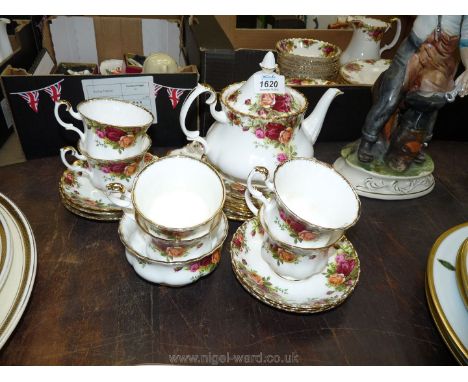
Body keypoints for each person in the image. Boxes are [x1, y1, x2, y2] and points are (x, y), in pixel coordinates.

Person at [357, 15, 468, 172]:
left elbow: (466, 39)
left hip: (441, 59)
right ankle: (368, 140)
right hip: (412, 49)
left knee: (431, 104)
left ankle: (420, 145)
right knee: (390, 97)